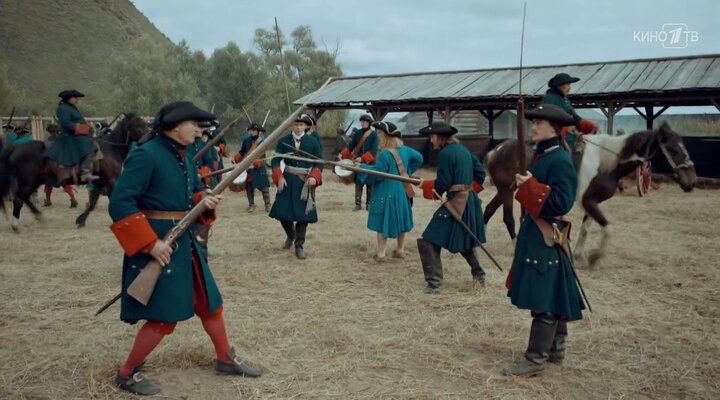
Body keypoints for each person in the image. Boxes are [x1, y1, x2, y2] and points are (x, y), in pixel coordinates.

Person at [108, 101, 261, 396]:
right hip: (158, 244)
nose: (198, 130)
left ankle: (225, 359)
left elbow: (191, 195)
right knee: (164, 317)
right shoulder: (146, 155)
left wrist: (204, 200)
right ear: (175, 125)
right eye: (193, 124)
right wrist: (150, 244)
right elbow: (120, 203)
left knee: (209, 302)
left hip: (183, 242)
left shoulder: (183, 156)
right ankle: (127, 373)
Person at [502, 104, 585, 377]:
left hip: (546, 235)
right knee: (553, 293)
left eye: (539, 123)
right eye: (533, 121)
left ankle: (535, 359)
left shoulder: (559, 160)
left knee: (544, 297)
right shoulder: (544, 155)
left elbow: (562, 201)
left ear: (554, 128)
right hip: (538, 233)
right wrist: (528, 183)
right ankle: (555, 351)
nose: (533, 126)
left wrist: (529, 186)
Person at [417, 121, 487, 293]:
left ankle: (434, 285)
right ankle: (479, 274)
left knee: (428, 240)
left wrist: (425, 185)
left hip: (457, 201)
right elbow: (481, 173)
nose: (431, 140)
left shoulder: (445, 153)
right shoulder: (463, 150)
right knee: (464, 237)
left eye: (432, 136)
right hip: (469, 200)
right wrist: (468, 190)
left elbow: (442, 184)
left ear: (440, 137)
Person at [357, 121, 423, 261]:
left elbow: (378, 174)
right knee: (402, 220)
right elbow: (419, 158)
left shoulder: (385, 154)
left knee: (382, 223)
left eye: (380, 133)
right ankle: (400, 250)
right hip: (402, 191)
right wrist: (407, 172)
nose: (378, 136)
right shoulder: (405, 150)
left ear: (387, 136)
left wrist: (361, 168)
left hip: (385, 192)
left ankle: (381, 254)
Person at [269, 114, 323, 260]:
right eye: (296, 124)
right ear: (292, 125)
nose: (298, 127)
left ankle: (299, 245)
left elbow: (319, 162)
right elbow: (275, 161)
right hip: (287, 180)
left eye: (301, 125)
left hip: (305, 182)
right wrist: (279, 176)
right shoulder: (283, 141)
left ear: (305, 126)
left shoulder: (313, 142)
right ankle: (291, 235)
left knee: (303, 217)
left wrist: (314, 177)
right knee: (281, 212)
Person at [46, 89, 99, 182]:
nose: (76, 100)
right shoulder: (63, 108)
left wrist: (87, 127)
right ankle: (85, 172)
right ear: (68, 98)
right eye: (74, 97)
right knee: (90, 146)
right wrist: (82, 128)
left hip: (77, 134)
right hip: (70, 135)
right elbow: (65, 123)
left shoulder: (71, 107)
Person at [540, 73, 599, 151]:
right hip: (554, 142)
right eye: (568, 84)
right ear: (559, 85)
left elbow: (575, 119)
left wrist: (589, 125)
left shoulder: (564, 99)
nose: (569, 88)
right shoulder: (549, 98)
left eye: (569, 84)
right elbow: (546, 120)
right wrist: (565, 128)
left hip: (569, 139)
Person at [340, 114, 378, 211]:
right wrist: (342, 154)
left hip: (370, 163)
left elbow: (374, 150)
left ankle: (369, 205)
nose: (363, 123)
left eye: (365, 121)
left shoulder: (374, 135)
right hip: (358, 163)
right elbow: (351, 146)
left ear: (369, 123)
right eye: (362, 121)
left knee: (370, 185)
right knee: (358, 183)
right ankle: (358, 205)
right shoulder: (358, 133)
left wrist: (363, 159)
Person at [234, 122, 271, 212]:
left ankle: (268, 205)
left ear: (258, 131)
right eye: (251, 130)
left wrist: (258, 143)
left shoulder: (263, 140)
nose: (252, 132)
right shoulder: (246, 140)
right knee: (249, 188)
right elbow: (242, 151)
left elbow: (263, 153)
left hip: (259, 165)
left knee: (264, 187)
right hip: (249, 167)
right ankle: (251, 205)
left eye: (254, 130)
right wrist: (237, 158)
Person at [42, 124, 78, 207]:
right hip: (62, 165)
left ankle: (48, 200)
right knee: (64, 183)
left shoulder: (46, 142)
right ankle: (73, 199)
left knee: (48, 183)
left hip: (51, 166)